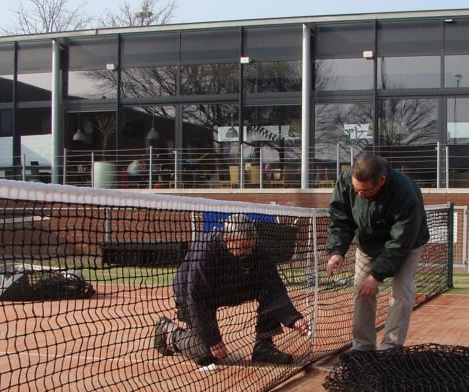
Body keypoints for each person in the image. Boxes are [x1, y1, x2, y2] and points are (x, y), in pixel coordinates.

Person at [155, 213, 309, 366]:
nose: (248, 251)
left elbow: (274, 286)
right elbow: (196, 298)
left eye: (251, 246)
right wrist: (213, 339)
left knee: (267, 292)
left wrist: (293, 318)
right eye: (243, 247)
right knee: (205, 354)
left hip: (230, 288)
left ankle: (264, 347)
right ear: (227, 240)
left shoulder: (256, 249)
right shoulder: (205, 250)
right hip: (191, 294)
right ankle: (170, 334)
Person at [325, 152, 429, 352]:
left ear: (382, 181)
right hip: (368, 242)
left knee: (401, 291)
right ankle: (362, 347)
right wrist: (337, 251)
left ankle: (391, 348)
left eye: (365, 192)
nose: (359, 195)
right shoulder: (347, 181)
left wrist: (376, 276)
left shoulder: (404, 192)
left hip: (406, 243)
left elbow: (400, 241)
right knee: (361, 291)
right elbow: (340, 218)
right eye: (356, 191)